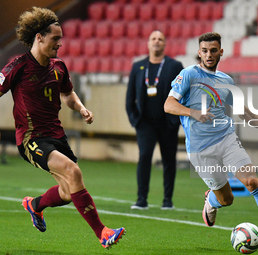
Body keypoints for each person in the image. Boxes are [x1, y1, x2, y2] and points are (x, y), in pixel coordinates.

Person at [0, 7, 125, 249]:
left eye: (61, 39)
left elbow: (68, 93)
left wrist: (80, 108)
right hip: (31, 138)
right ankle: (103, 233)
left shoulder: (59, 66)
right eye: (55, 38)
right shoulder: (18, 65)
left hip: (57, 136)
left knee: (69, 192)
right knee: (73, 172)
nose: (59, 44)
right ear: (39, 37)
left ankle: (35, 205)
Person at [164, 32, 258, 245]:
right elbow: (168, 105)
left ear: (221, 52)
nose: (209, 55)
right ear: (199, 52)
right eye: (205, 51)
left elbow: (244, 113)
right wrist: (193, 113)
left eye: (213, 50)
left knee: (252, 181)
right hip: (200, 150)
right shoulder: (189, 74)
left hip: (226, 140)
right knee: (226, 200)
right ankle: (211, 200)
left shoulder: (226, 80)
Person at [126, 31, 184, 210]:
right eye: (153, 39)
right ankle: (141, 199)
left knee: (169, 160)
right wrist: (135, 120)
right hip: (145, 123)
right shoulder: (138, 67)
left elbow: (184, 93)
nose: (156, 42)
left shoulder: (174, 66)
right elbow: (130, 98)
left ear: (165, 44)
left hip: (168, 123)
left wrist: (176, 119)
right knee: (144, 157)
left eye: (160, 39)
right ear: (148, 44)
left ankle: (168, 200)